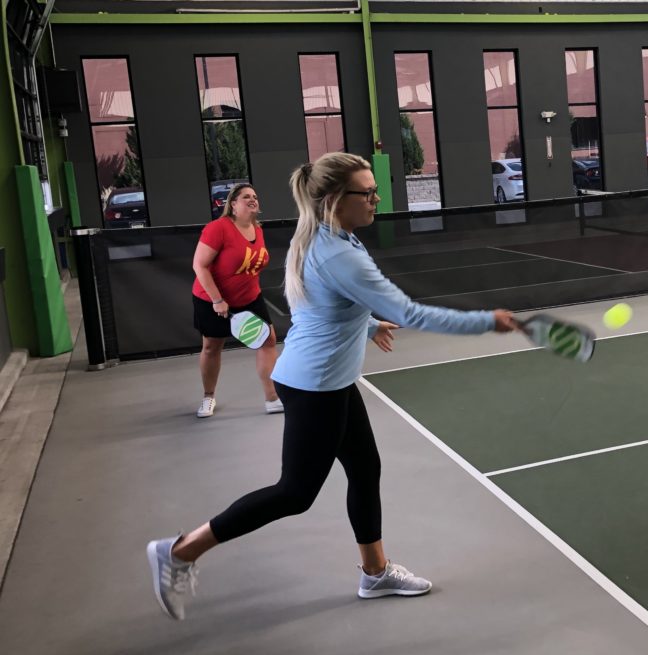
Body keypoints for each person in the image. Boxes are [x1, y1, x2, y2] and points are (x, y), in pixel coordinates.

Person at [147, 152, 518, 620]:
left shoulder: (324, 236)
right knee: (294, 494)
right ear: (337, 199)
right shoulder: (340, 252)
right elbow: (412, 313)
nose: (376, 199)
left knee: (365, 469)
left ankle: (375, 572)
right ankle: (179, 551)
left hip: (331, 378)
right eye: (368, 192)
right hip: (315, 384)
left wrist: (365, 325)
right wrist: (485, 321)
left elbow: (320, 308)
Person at [191, 182, 281, 418]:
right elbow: (199, 265)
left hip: (250, 297)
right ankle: (208, 397)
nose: (253, 199)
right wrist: (217, 299)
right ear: (233, 204)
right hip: (211, 298)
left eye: (255, 196)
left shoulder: (257, 229)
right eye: (246, 197)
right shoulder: (217, 228)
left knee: (268, 340)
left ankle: (272, 398)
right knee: (212, 347)